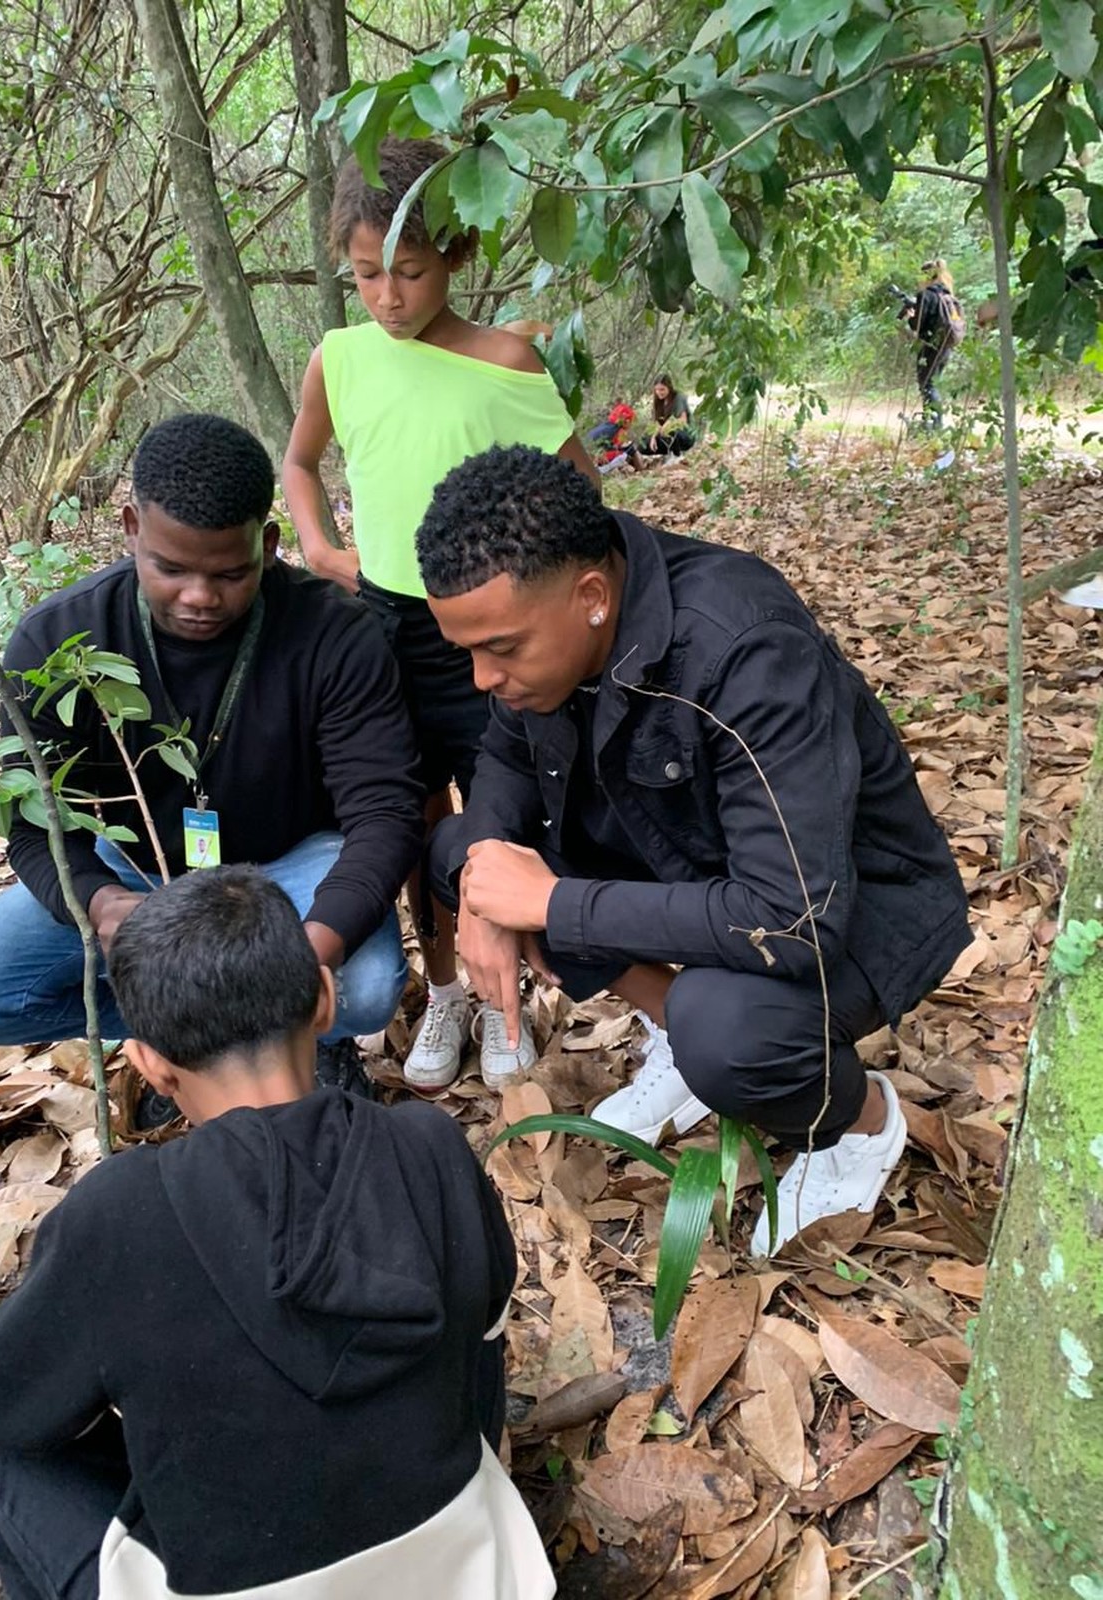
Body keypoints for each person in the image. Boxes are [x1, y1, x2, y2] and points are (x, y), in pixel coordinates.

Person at [0, 865, 553, 1600]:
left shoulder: (119, 1213)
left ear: (150, 1063)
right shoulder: (431, 1145)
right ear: (324, 1002)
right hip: (468, 1561)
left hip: (229, 1580)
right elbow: (482, 1330)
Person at [417, 446, 971, 1255]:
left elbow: (792, 920)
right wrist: (486, 878)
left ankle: (859, 1120)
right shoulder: (550, 645)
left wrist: (547, 902)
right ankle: (673, 1027)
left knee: (729, 1031)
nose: (479, 677)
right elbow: (503, 755)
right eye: (465, 651)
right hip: (683, 858)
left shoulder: (745, 648)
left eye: (501, 649)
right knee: (461, 851)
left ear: (593, 597)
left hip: (848, 904)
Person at [0, 413, 425, 1096]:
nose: (199, 597)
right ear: (131, 528)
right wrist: (101, 907)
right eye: (170, 568)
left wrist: (306, 958)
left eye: (230, 574)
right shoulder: (60, 642)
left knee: (362, 987)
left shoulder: (334, 634)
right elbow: (35, 821)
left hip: (288, 861)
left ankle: (313, 1040)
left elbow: (383, 816)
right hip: (130, 869)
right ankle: (191, 1041)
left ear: (269, 544)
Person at [282, 136, 597, 1097]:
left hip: (490, 634)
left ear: (453, 257)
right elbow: (300, 463)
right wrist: (325, 549)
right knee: (412, 819)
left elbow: (580, 500)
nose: (387, 296)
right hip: (384, 626)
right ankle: (448, 987)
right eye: (367, 274)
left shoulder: (507, 363)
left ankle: (511, 997)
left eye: (409, 272)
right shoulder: (339, 359)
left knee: (498, 806)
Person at [904, 259, 962, 429]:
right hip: (946, 347)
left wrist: (910, 317)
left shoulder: (927, 295)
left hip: (929, 346)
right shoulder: (948, 296)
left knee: (927, 385)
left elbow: (918, 324)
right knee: (933, 384)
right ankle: (932, 422)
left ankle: (935, 425)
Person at [633, 375, 695, 459]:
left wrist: (668, 424)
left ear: (669, 387)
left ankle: (677, 456)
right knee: (643, 444)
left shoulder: (678, 397)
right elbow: (657, 423)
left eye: (662, 389)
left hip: (683, 436)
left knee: (671, 432)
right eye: (657, 390)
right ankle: (666, 453)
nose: (659, 392)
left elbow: (682, 421)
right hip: (664, 435)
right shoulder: (658, 402)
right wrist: (653, 437)